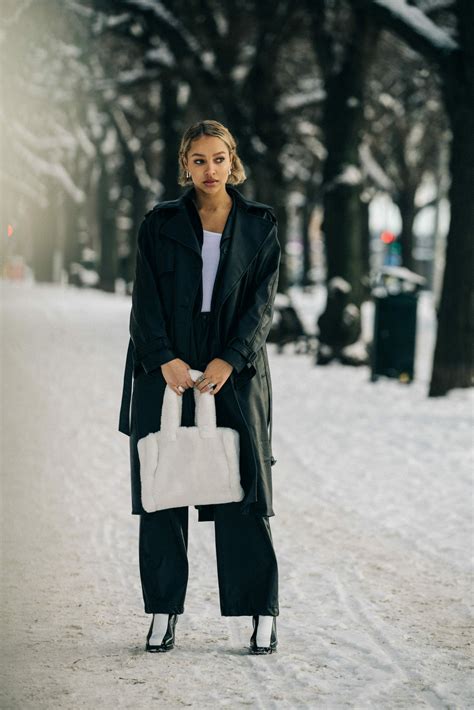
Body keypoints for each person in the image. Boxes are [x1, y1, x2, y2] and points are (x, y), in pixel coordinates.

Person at [118, 119, 281, 655]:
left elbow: (262, 306)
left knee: (243, 493)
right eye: (197, 160)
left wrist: (229, 359)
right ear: (184, 165)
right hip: (164, 366)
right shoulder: (159, 223)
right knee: (164, 488)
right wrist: (162, 356)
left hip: (233, 370)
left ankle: (260, 612)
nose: (209, 170)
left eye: (218, 159)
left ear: (232, 162)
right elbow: (143, 300)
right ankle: (163, 611)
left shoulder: (260, 226)